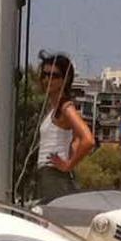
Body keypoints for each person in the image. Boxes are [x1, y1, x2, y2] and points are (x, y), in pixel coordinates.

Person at [30, 52, 95, 203]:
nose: (47, 80)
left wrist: (68, 165)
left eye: (54, 76)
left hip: (54, 175)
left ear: (65, 80)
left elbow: (88, 140)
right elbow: (76, 139)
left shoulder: (66, 108)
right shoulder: (54, 109)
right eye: (44, 75)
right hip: (47, 174)